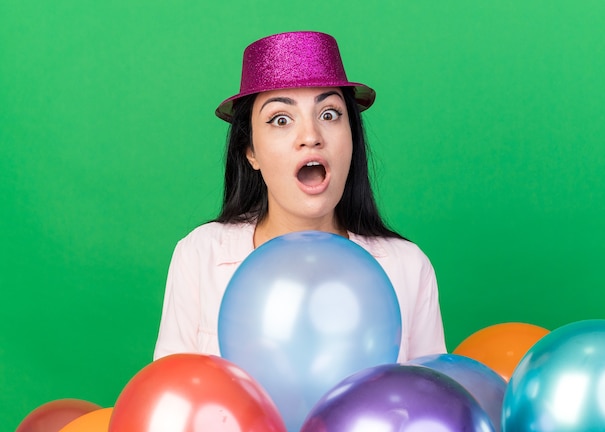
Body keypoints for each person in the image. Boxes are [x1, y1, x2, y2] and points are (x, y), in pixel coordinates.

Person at [154, 31, 446, 362]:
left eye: (330, 114)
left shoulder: (408, 268)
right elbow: (171, 401)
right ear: (251, 152)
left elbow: (429, 403)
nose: (310, 136)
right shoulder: (200, 257)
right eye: (281, 119)